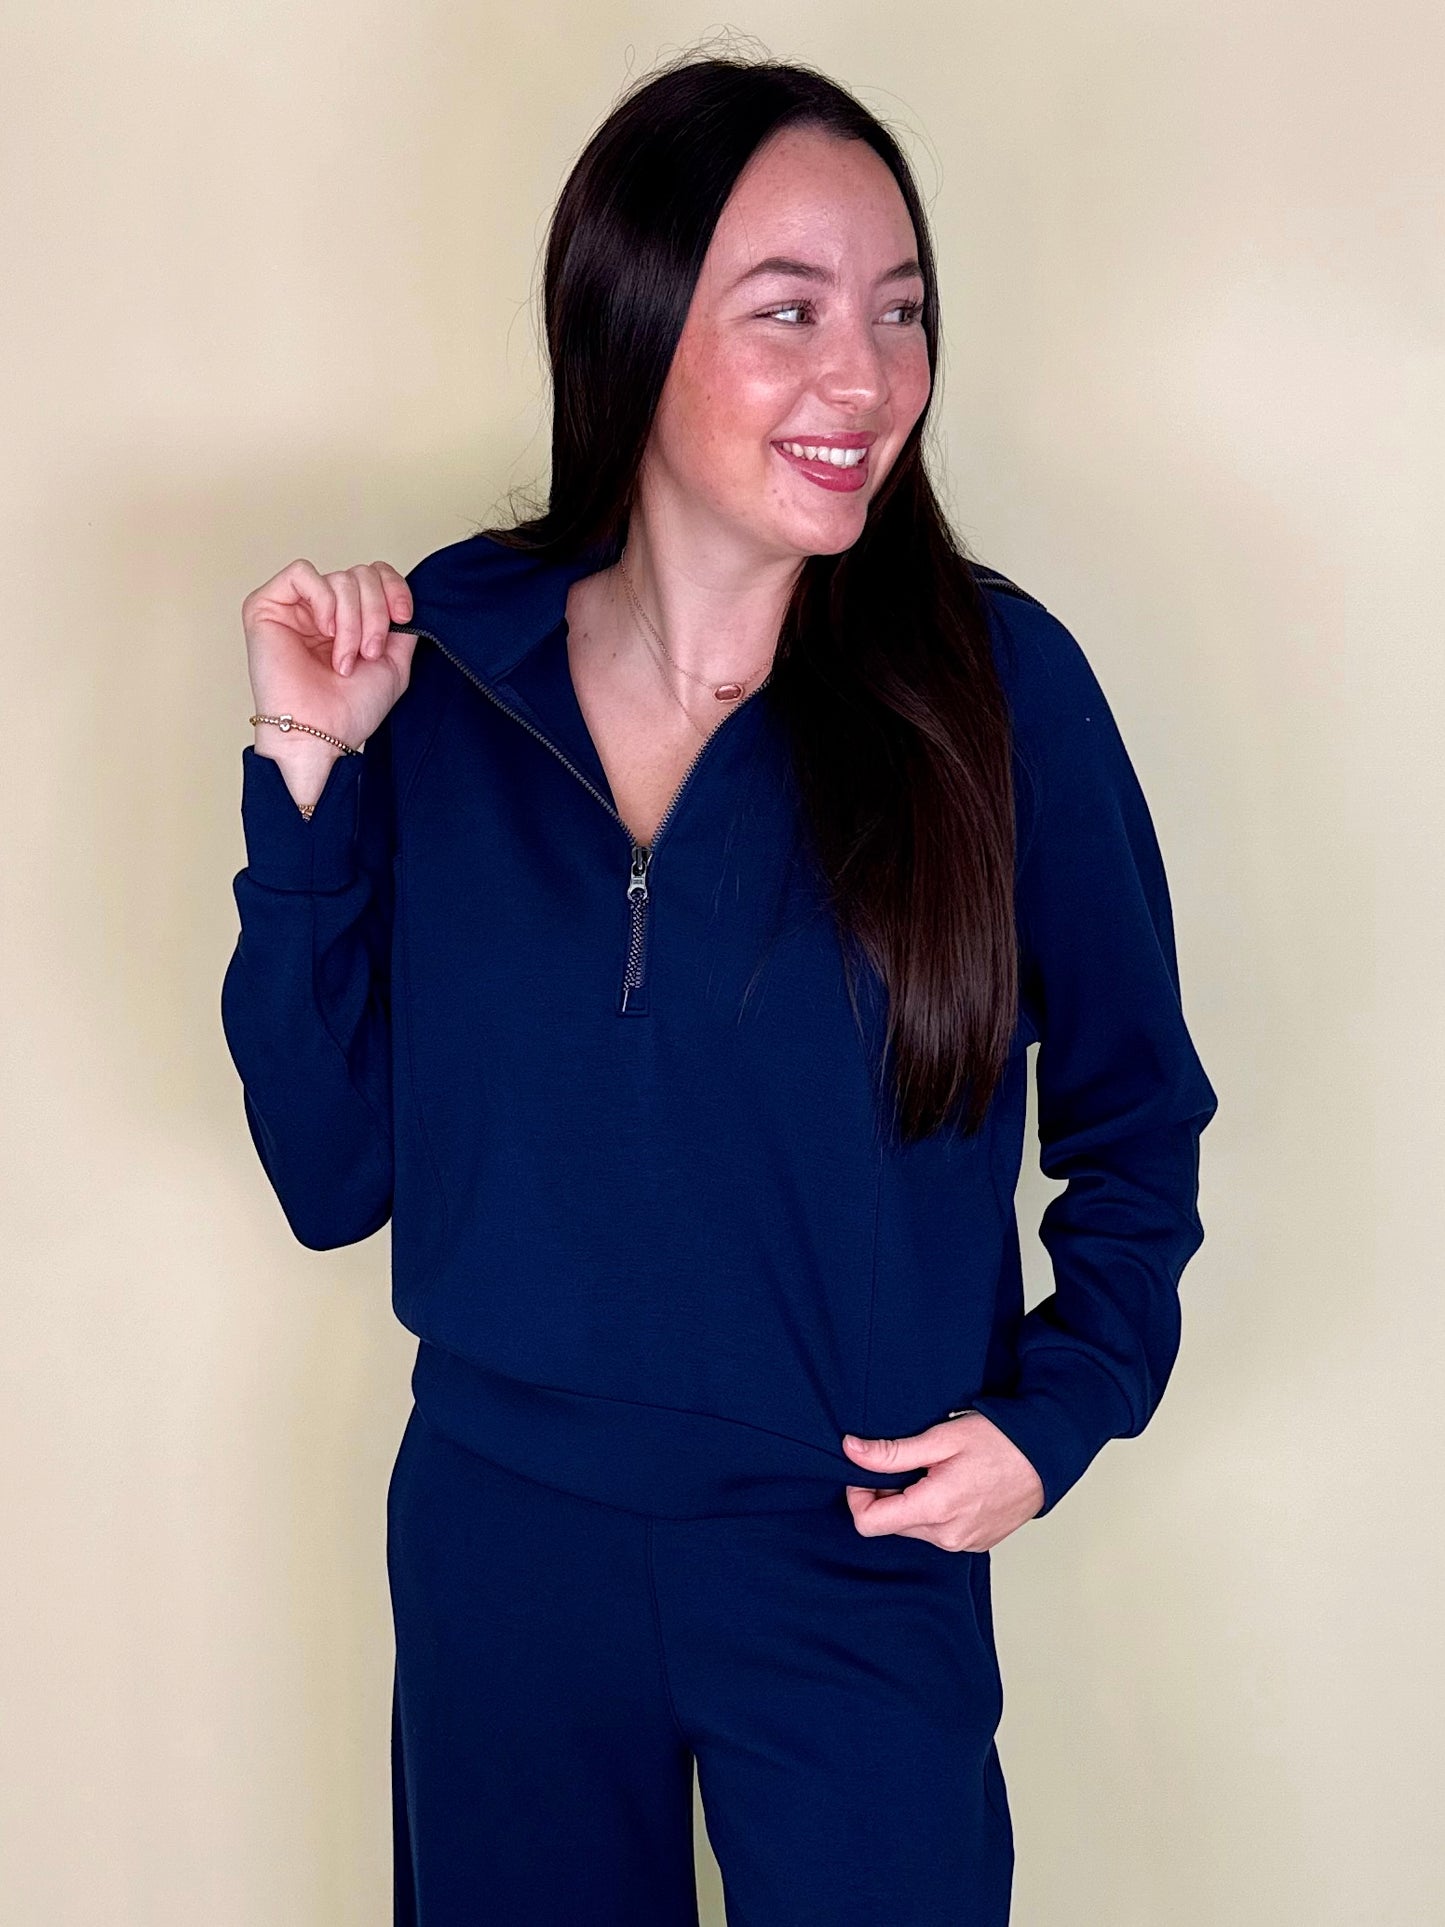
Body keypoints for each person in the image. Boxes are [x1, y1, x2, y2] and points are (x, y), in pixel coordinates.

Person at [221, 51, 1219, 1927]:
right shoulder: (447, 668)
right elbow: (330, 1173)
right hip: (503, 1549)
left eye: (900, 313)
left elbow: (1137, 1113)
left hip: (850, 1553)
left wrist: (1063, 1410)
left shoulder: (998, 693)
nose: (867, 379)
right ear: (633, 324)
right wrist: (309, 775)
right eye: (790, 312)